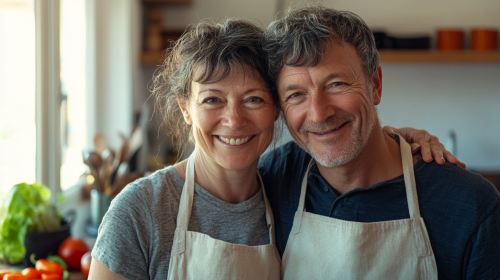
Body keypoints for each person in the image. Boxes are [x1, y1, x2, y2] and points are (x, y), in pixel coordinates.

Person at [88, 18, 457, 280]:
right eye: (212, 100)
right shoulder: (141, 211)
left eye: (253, 99)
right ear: (185, 107)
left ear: (277, 107)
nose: (233, 120)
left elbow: (352, 139)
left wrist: (398, 138)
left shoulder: (287, 180)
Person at [259, 6, 500, 279]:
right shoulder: (274, 177)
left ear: (375, 84)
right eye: (295, 95)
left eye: (336, 84)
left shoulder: (469, 204)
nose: (318, 113)